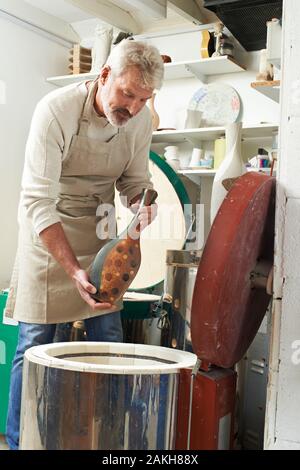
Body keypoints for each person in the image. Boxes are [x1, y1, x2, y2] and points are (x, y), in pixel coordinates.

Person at [5, 39, 164, 450]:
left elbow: (134, 181)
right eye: (127, 93)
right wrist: (72, 269)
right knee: (35, 341)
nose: (133, 107)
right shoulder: (56, 110)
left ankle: (102, 440)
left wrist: (140, 202)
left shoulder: (141, 119)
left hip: (99, 226)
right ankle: (24, 441)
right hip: (49, 229)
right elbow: (37, 200)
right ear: (104, 75)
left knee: (107, 335)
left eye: (143, 99)